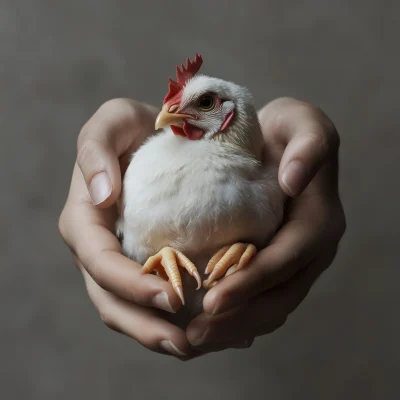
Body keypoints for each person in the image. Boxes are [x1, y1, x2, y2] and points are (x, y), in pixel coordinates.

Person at [58, 97, 346, 360]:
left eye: (205, 103)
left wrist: (251, 246)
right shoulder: (146, 160)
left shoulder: (263, 172)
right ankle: (164, 257)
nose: (171, 111)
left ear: (231, 112)